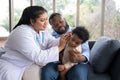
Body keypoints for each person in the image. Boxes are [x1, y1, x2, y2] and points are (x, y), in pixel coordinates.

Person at [0, 6, 70, 80]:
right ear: (32, 21)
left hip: (29, 63)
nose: (46, 23)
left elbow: (50, 42)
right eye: (42, 20)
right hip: (14, 65)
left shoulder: (42, 30)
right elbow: (38, 56)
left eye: (46, 19)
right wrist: (60, 47)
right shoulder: (21, 32)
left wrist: (65, 38)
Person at [41, 13, 90, 80]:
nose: (60, 25)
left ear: (65, 20)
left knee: (79, 75)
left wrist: (80, 58)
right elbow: (49, 53)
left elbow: (86, 51)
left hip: (77, 63)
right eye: (56, 25)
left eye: (61, 21)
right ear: (52, 27)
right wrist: (58, 56)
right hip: (57, 62)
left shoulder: (77, 32)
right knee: (47, 72)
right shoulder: (51, 37)